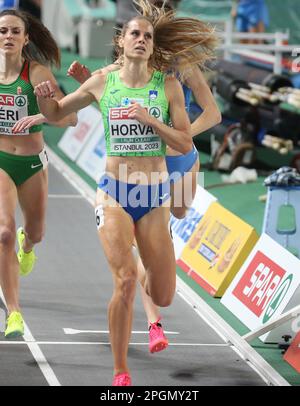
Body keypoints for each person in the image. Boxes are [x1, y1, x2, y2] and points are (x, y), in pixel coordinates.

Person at [34, 0, 217, 386]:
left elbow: (185, 143)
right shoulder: (103, 80)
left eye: (147, 36)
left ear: (152, 46)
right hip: (115, 193)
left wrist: (151, 121)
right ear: (122, 42)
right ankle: (120, 373)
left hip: (153, 197)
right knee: (124, 280)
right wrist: (44, 96)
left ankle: (152, 286)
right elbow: (56, 114)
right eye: (135, 33)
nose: (141, 39)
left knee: (163, 293)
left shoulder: (167, 85)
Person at [0, 8, 77, 339]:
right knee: (3, 231)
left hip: (31, 163)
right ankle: (14, 313)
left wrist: (41, 116)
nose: (8, 37)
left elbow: (69, 119)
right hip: (1, 160)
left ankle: (27, 247)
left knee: (36, 233)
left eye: (15, 31)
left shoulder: (38, 74)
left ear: (26, 38)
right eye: (3, 31)